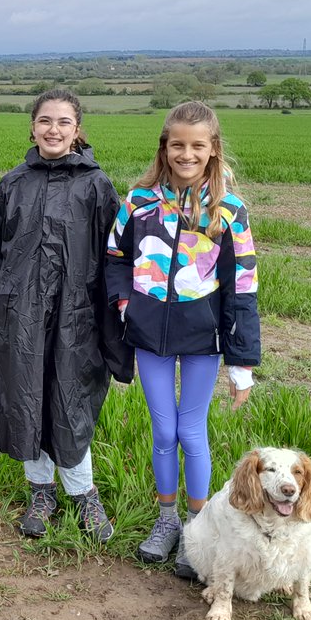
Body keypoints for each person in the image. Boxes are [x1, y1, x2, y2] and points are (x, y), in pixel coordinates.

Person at [0, 88, 131, 542]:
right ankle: (41, 491)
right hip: (18, 319)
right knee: (26, 403)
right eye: (45, 121)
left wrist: (117, 345)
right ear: (32, 127)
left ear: (77, 130)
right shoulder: (11, 185)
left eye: (63, 122)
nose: (53, 130)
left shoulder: (96, 186)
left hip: (76, 321)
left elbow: (114, 264)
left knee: (70, 405)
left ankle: (83, 494)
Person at [105, 100, 260, 579]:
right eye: (178, 145)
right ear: (165, 147)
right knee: (163, 431)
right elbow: (114, 257)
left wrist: (242, 364)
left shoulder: (229, 211)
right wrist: (129, 305)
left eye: (197, 146)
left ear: (212, 150)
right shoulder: (138, 202)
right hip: (149, 337)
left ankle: (196, 532)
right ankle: (166, 519)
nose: (186, 154)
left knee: (191, 432)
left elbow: (243, 286)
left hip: (202, 340)